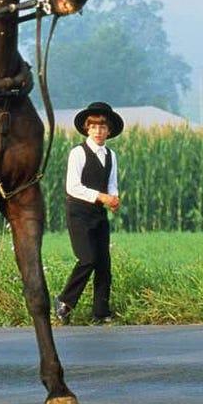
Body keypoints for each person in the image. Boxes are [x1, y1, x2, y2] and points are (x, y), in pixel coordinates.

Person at [54, 101, 123, 325]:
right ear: (87, 128)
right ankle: (65, 301)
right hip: (79, 213)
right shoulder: (78, 153)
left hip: (99, 215)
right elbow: (72, 187)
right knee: (87, 259)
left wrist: (113, 198)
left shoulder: (111, 155)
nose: (98, 131)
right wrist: (102, 197)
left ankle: (101, 311)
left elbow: (111, 184)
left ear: (109, 130)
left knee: (103, 263)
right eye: (94, 126)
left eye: (102, 127)